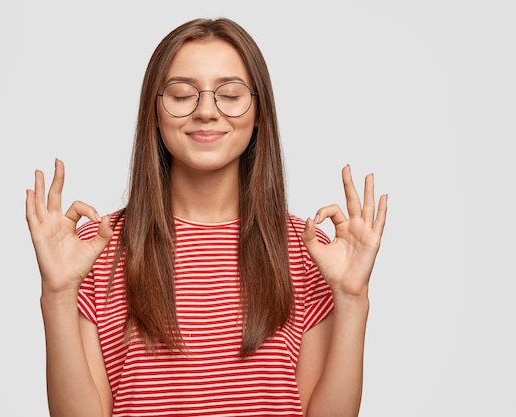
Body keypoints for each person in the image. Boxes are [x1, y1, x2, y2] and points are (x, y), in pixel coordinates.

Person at [25, 17, 387, 417]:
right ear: (153, 112)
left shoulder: (307, 251)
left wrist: (353, 299)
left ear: (259, 112)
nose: (206, 112)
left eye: (230, 95)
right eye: (182, 95)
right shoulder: (96, 248)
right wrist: (57, 294)